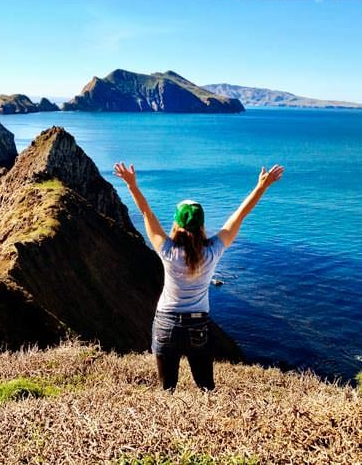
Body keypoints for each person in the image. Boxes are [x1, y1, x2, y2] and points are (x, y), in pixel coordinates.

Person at [113, 162, 285, 391]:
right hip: (198, 324)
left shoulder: (167, 250)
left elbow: (146, 212)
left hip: (166, 322)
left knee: (167, 389)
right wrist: (261, 186)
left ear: (176, 223)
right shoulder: (213, 251)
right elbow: (239, 215)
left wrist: (132, 185)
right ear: (202, 225)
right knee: (206, 388)